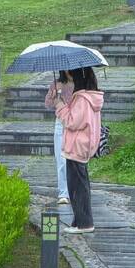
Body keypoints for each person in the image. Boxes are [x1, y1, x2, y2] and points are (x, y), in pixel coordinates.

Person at [54, 66, 104, 234]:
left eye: (70, 73)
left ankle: (85, 223)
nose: (68, 75)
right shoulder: (88, 97)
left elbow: (72, 121)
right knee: (79, 184)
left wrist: (60, 106)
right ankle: (78, 221)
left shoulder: (82, 99)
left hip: (77, 146)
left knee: (77, 186)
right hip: (80, 146)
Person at [45, 70, 73, 205]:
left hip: (74, 125)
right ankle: (63, 193)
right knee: (61, 161)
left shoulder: (79, 84)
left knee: (74, 159)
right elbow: (48, 104)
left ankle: (75, 191)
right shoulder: (56, 84)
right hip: (60, 125)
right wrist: (53, 95)